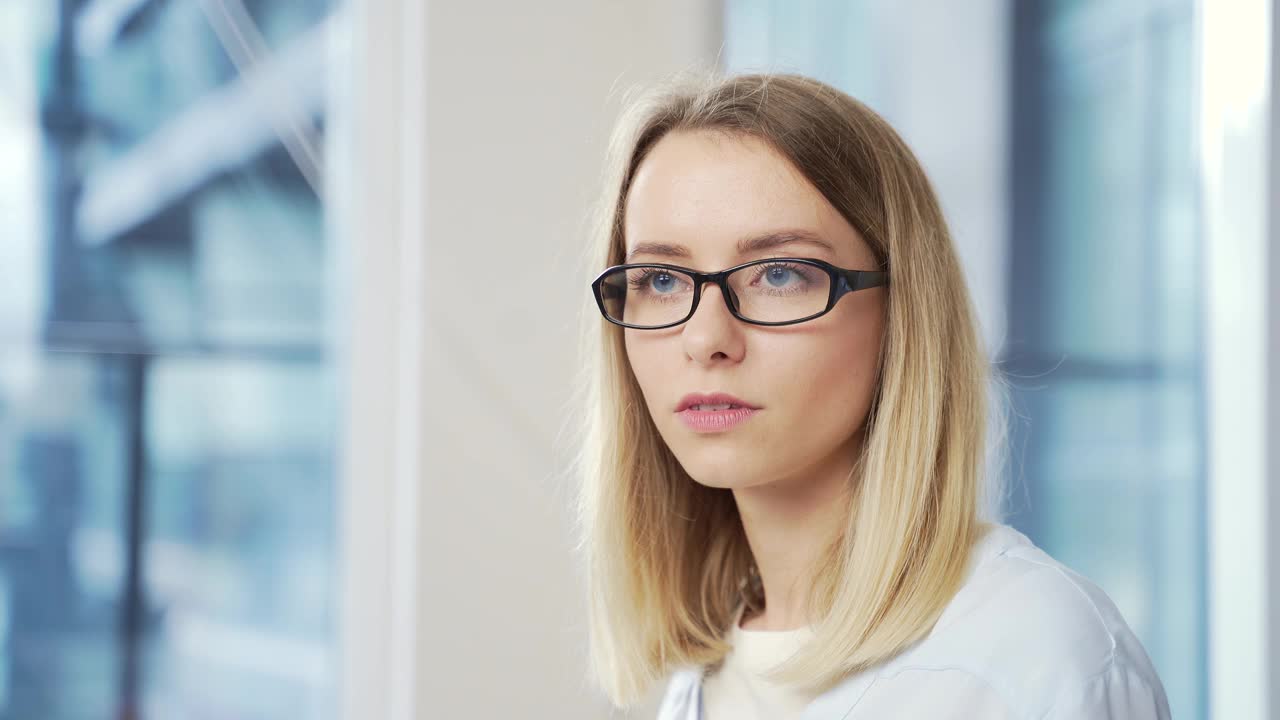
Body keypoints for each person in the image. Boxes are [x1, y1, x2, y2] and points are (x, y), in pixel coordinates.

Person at [568, 71, 1170, 719]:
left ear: (901, 311)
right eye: (660, 279)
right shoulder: (706, 673)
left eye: (779, 273)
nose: (706, 337)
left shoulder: (1034, 655)